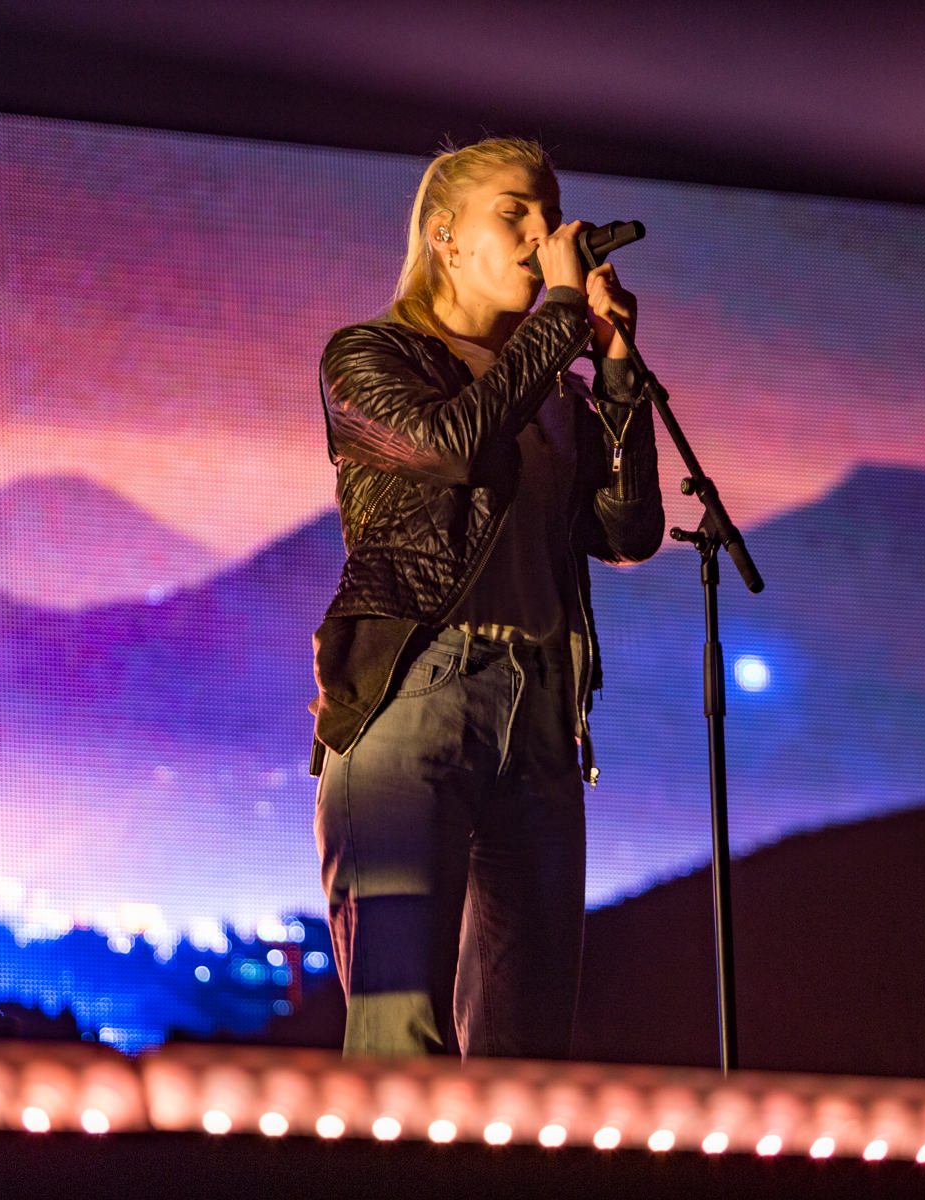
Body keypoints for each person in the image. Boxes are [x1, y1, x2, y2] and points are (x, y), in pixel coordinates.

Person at [309, 136, 664, 1058]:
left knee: (528, 1053)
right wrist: (556, 312)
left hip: (542, 713)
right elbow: (455, 447)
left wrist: (617, 372)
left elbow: (629, 533)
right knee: (400, 1036)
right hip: (414, 697)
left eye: (549, 214)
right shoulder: (369, 356)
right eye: (515, 214)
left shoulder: (553, 392)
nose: (544, 232)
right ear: (445, 238)